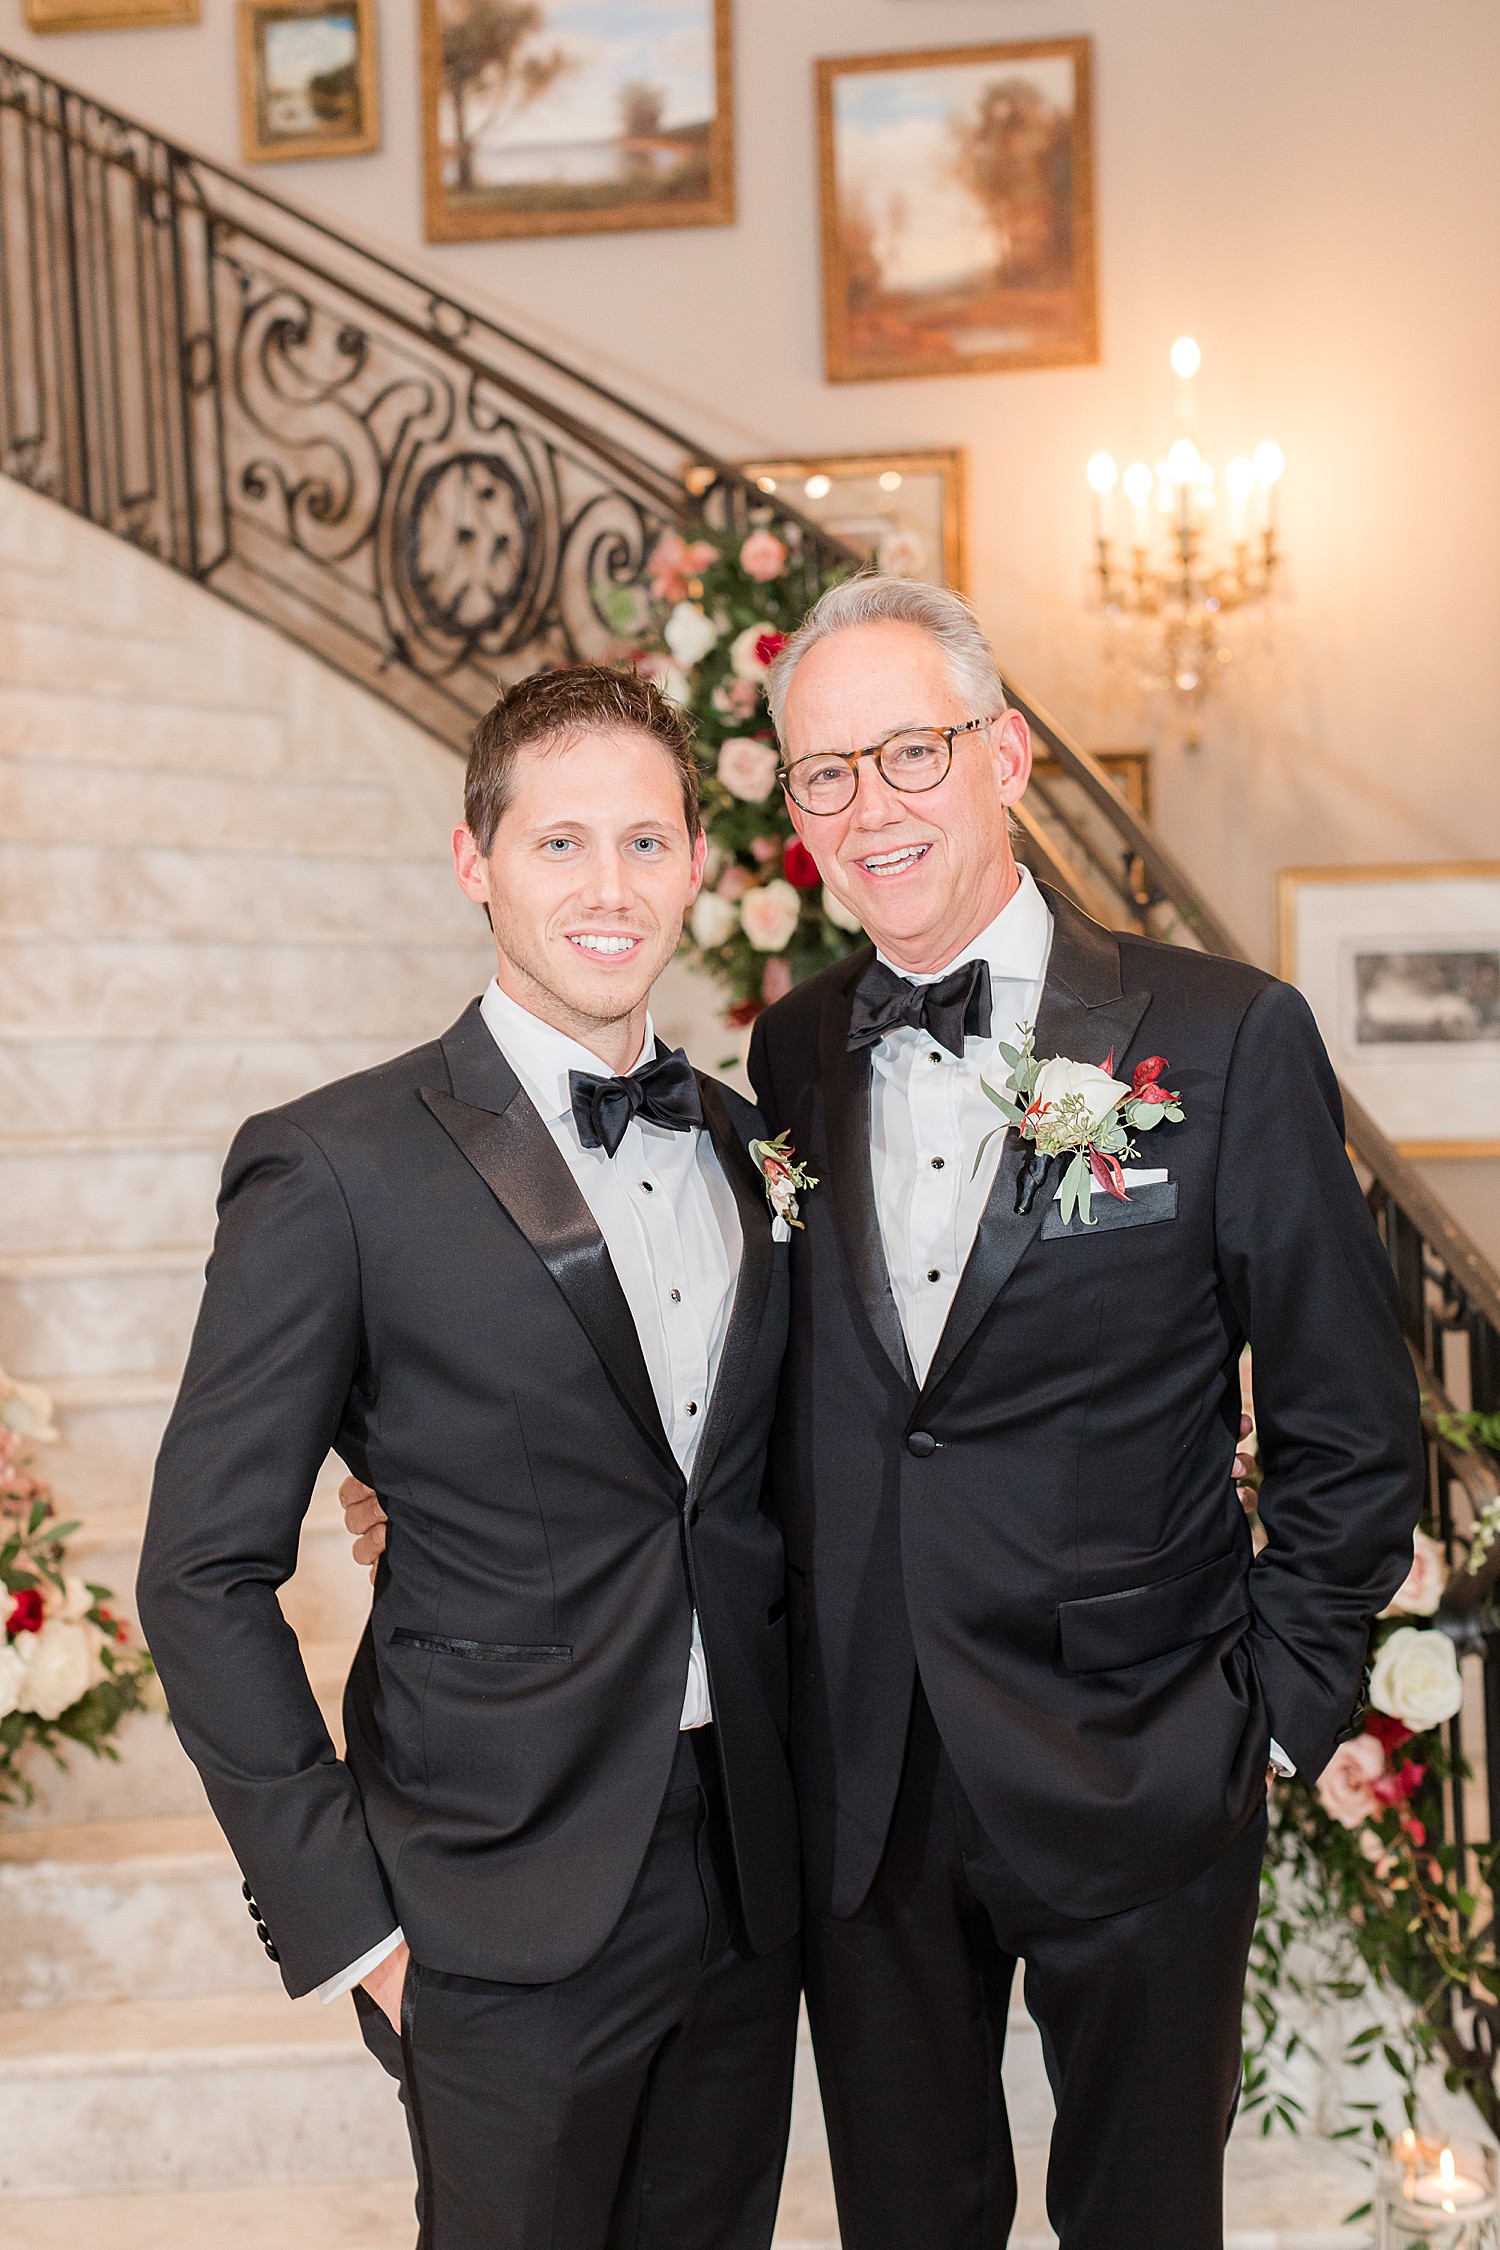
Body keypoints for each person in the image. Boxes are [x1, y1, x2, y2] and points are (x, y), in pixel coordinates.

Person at [740, 575, 1424, 2249]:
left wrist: (1265, 1718)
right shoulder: (790, 1049)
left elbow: (1351, 1423)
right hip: (871, 1776)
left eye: (910, 749)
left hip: (1145, 1758)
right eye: (824, 771)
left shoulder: (1224, 1035)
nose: (869, 804)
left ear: (1007, 753)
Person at [137, 666, 801, 2250]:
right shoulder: (335, 1164)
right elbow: (199, 1571)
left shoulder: (741, 1141)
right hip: (493, 1897)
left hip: (744, 1866)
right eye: (559, 843)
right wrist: (349, 1916)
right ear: (473, 862)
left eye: (646, 842)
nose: (609, 886)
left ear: (699, 864)